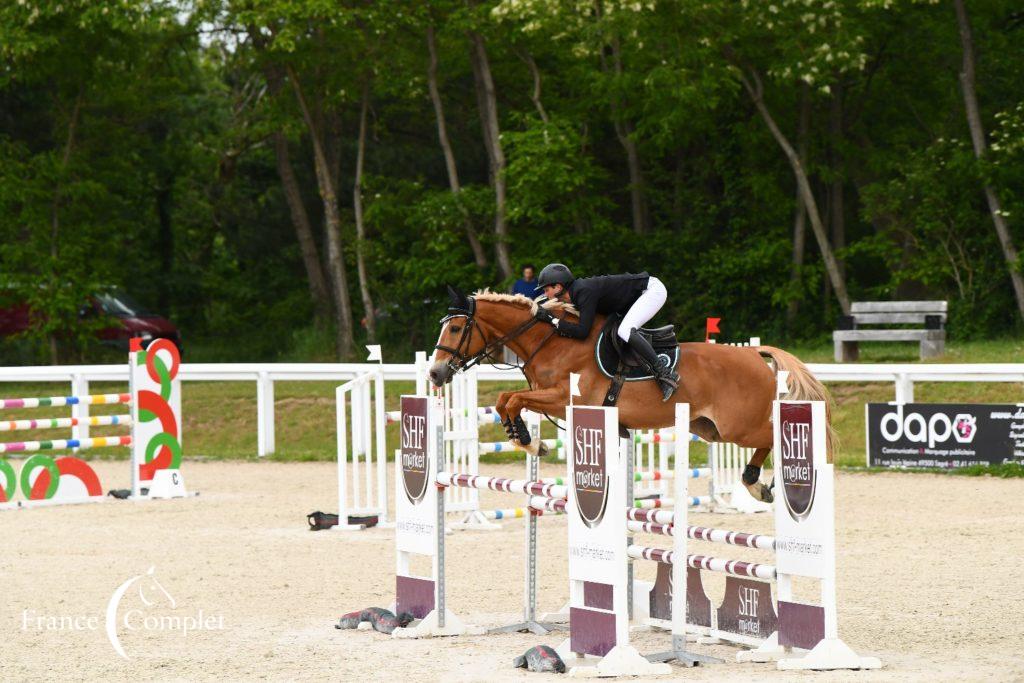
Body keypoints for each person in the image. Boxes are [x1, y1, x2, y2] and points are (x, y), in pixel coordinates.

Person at [532, 263, 679, 401]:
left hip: (651, 291)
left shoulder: (583, 291)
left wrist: (552, 320)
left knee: (625, 330)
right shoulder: (577, 294)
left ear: (558, 287)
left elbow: (583, 331)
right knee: (619, 331)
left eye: (546, 290)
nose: (546, 295)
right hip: (635, 297)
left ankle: (666, 375)